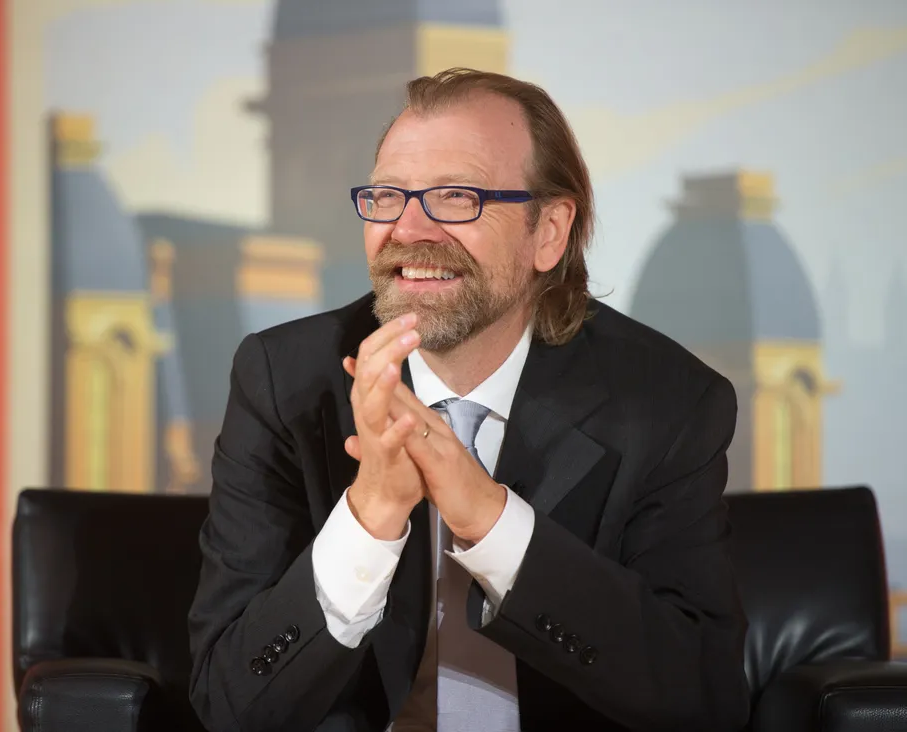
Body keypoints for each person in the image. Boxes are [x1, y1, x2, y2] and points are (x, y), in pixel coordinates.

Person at [187, 67, 750, 732]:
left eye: (457, 197)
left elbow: (702, 701)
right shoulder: (285, 382)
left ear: (548, 232)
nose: (410, 229)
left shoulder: (665, 404)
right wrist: (373, 512)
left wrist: (488, 518)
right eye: (389, 196)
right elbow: (228, 707)